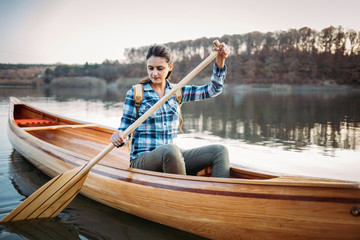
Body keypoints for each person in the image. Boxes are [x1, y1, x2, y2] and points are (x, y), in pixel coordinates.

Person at [111, 42, 231, 178]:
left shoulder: (177, 92)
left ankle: (219, 193)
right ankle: (185, 191)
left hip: (171, 158)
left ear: (170, 67)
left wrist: (220, 60)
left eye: (160, 68)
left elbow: (213, 90)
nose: (154, 73)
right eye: (150, 68)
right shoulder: (136, 93)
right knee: (170, 150)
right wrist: (119, 137)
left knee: (219, 151)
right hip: (143, 161)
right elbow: (125, 130)